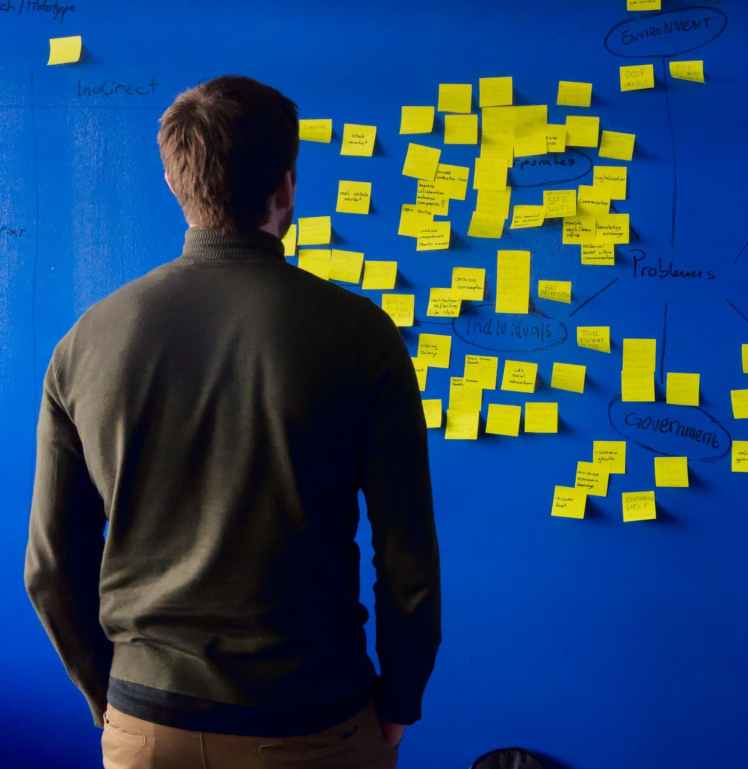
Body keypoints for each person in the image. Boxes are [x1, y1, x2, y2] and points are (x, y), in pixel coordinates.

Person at [23, 75, 441, 769]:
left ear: (173, 183)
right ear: (286, 186)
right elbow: (409, 562)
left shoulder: (86, 342)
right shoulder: (361, 334)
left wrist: (115, 700)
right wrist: (401, 698)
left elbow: (49, 567)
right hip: (313, 724)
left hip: (146, 722)